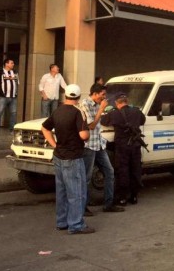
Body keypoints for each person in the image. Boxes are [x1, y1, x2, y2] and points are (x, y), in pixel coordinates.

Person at [41, 84, 94, 235]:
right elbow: (83, 135)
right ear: (78, 98)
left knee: (62, 190)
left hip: (58, 155)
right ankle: (76, 224)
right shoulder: (78, 113)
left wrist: (54, 145)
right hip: (73, 156)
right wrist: (88, 133)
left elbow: (45, 128)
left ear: (65, 96)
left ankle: (61, 221)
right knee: (76, 192)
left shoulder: (57, 111)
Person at [79, 84, 124, 214]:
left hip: (98, 143)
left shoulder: (99, 105)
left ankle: (108, 204)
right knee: (86, 177)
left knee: (109, 172)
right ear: (95, 93)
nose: (104, 98)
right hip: (88, 146)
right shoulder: (85, 104)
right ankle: (83, 207)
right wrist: (101, 109)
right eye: (102, 95)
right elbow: (91, 125)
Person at [101, 93, 146, 206]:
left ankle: (122, 198)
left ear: (117, 103)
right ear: (127, 101)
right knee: (135, 169)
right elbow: (142, 120)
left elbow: (103, 121)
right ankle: (134, 196)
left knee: (122, 171)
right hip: (135, 145)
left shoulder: (114, 113)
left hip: (122, 146)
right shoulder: (136, 111)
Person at [0, 58, 19, 136]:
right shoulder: (0, 72)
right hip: (2, 97)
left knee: (13, 113)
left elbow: (17, 83)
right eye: (11, 63)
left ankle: (12, 130)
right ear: (6, 64)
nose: (13, 64)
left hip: (13, 97)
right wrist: (2, 91)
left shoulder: (15, 72)